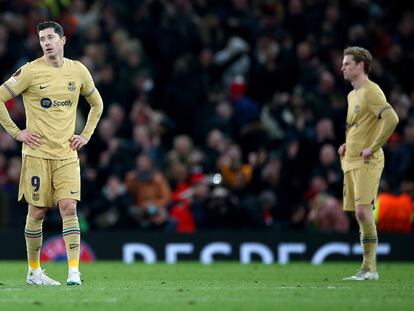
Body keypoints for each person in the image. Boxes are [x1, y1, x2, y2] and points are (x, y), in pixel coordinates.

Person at [0, 21, 103, 285]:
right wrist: (17, 133)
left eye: (50, 37)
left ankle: (74, 272)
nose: (45, 42)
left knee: (69, 208)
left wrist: (86, 135)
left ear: (63, 40)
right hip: (36, 154)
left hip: (67, 154)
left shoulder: (78, 70)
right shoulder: (31, 71)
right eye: (42, 38)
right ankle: (34, 271)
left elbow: (97, 104)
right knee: (37, 212)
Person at [338, 46, 398, 281]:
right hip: (351, 160)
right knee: (359, 214)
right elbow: (355, 126)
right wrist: (345, 145)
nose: (342, 67)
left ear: (360, 65)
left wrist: (373, 147)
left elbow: (392, 118)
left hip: (368, 160)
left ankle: (370, 268)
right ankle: (366, 268)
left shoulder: (372, 91)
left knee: (364, 212)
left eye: (347, 63)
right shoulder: (352, 95)